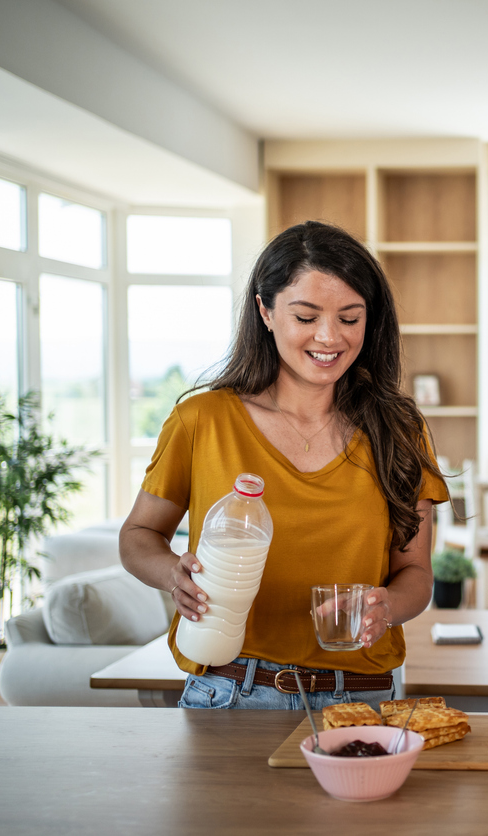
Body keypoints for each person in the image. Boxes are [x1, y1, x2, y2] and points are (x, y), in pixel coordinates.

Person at [120, 221, 448, 710]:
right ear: (265, 311)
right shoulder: (203, 420)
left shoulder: (399, 429)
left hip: (360, 698)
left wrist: (388, 607)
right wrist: (173, 574)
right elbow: (138, 537)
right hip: (231, 690)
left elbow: (416, 573)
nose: (329, 336)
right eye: (306, 316)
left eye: (350, 318)